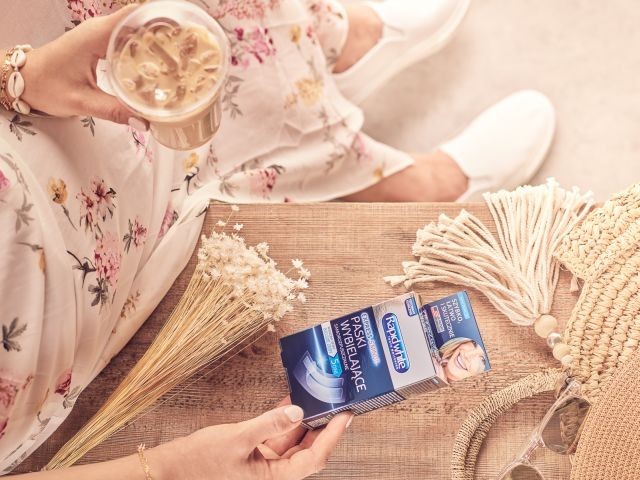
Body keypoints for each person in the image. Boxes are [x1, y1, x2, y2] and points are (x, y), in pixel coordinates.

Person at [0, 0, 552, 475]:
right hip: (59, 292)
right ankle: (383, 173)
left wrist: (18, 75)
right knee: (194, 154)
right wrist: (169, 470)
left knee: (174, 29)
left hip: (33, 108)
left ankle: (329, 45)